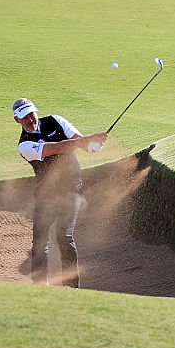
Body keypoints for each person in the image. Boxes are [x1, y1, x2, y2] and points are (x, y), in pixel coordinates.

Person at [12, 97, 108, 288]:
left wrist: (93, 145)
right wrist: (87, 140)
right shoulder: (24, 145)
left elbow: (79, 142)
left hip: (71, 188)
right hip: (46, 193)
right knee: (39, 241)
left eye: (31, 113)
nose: (30, 119)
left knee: (63, 235)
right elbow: (57, 148)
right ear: (17, 120)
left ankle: (71, 287)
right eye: (25, 117)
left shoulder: (55, 121)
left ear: (35, 111)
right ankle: (40, 287)